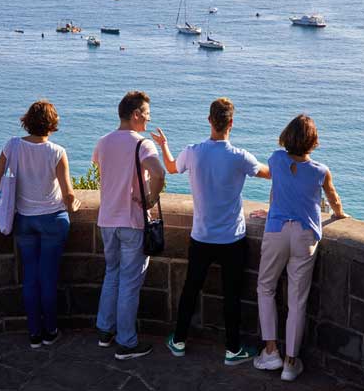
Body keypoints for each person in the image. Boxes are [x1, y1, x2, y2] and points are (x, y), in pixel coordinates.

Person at [152, 97, 271, 365]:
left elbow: (171, 168)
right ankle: (232, 349)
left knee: (190, 290)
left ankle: (179, 340)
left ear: (209, 121)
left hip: (201, 237)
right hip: (233, 239)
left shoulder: (194, 152)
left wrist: (164, 146)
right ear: (231, 123)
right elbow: (268, 173)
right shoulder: (240, 157)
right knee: (232, 295)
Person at [251, 114, 349, 381]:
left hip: (277, 231)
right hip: (305, 235)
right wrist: (338, 214)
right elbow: (333, 199)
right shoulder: (320, 170)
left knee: (265, 288)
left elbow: (278, 187)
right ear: (313, 141)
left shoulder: (276, 159)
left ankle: (270, 352)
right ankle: (291, 363)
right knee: (298, 300)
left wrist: (271, 210)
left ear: (288, 136)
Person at [0, 100, 81, 349]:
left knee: (30, 278)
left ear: (27, 121)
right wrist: (75, 206)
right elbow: (68, 194)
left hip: (24, 221)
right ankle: (50, 331)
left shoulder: (12, 146)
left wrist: (5, 201)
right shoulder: (57, 152)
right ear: (52, 124)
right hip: (53, 219)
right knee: (48, 278)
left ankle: (34, 333)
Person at [92, 91, 166, 360]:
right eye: (146, 114)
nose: (148, 118)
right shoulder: (142, 145)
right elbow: (159, 173)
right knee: (130, 283)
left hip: (106, 220)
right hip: (132, 221)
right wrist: (150, 199)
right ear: (135, 114)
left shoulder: (103, 142)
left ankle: (104, 331)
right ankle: (126, 342)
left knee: (112, 274)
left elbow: (104, 172)